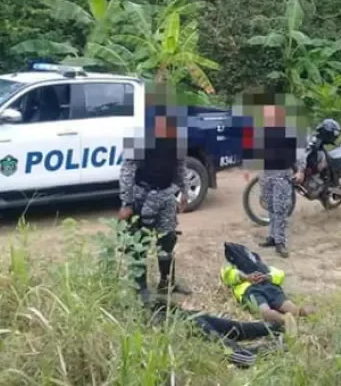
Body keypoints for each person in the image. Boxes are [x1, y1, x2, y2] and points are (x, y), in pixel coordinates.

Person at [118, 100, 192, 301]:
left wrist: (185, 192)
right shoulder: (140, 137)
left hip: (167, 195)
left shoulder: (178, 138)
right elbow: (127, 170)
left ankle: (167, 282)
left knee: (167, 240)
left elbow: (181, 166)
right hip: (142, 195)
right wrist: (126, 203)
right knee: (138, 242)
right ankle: (140, 287)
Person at [147, 295, 285, 368]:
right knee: (239, 329)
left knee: (244, 356)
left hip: (187, 323)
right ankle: (277, 326)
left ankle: (282, 345)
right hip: (188, 315)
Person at [243, 102, 307, 258]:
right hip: (266, 175)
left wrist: (300, 170)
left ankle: (280, 242)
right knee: (270, 208)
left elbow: (299, 153)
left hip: (282, 175)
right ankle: (272, 237)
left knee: (280, 209)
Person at [220, 254, 314, 329]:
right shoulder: (261, 266)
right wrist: (263, 276)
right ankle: (301, 315)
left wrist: (251, 277)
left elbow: (227, 277)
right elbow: (279, 274)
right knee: (289, 308)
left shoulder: (235, 268)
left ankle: (287, 320)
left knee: (266, 311)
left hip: (253, 290)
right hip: (263, 288)